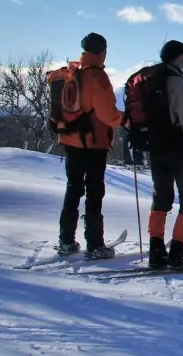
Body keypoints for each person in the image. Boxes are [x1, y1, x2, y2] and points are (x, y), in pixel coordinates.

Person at [53, 32, 127, 259]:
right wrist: (124, 120)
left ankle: (66, 240)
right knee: (94, 192)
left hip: (70, 140)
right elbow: (107, 114)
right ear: (102, 51)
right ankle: (95, 245)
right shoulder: (97, 77)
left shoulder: (71, 73)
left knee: (73, 188)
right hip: (93, 143)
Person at [145, 40, 183, 270]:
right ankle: (178, 252)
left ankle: (156, 250)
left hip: (156, 147)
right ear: (177, 57)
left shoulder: (151, 81)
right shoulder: (179, 84)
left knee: (161, 198)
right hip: (180, 149)